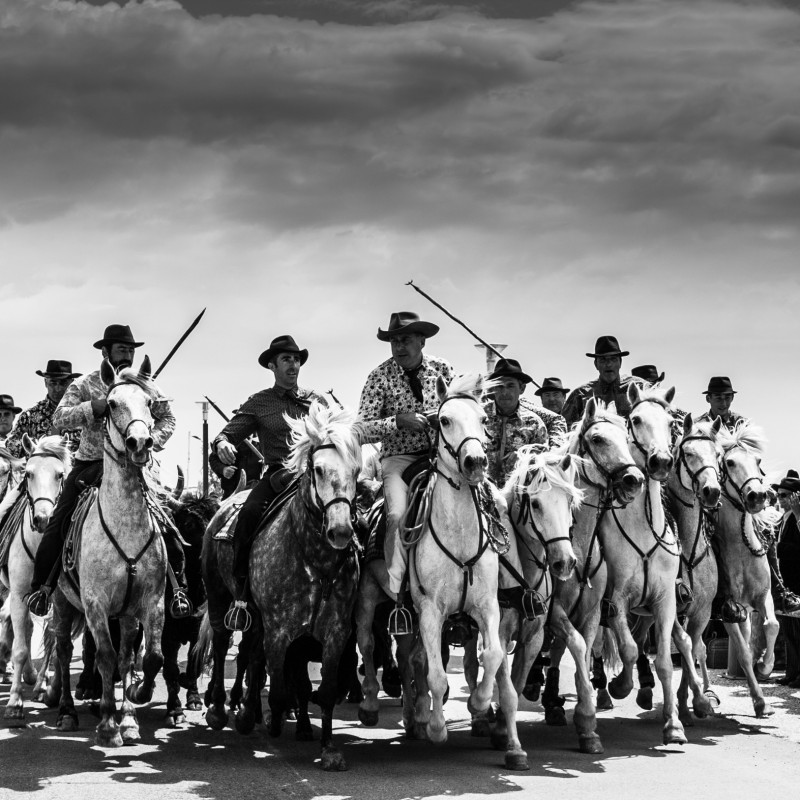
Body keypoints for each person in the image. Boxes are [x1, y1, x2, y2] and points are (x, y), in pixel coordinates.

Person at [26, 324, 185, 617]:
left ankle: (179, 589)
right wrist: (92, 408)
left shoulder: (145, 384)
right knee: (59, 521)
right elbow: (60, 418)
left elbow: (169, 418)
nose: (128, 353)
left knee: (171, 520)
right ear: (105, 351)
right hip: (91, 464)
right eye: (122, 348)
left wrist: (150, 442)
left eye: (131, 349)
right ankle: (42, 589)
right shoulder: (85, 384)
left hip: (136, 466)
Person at [212, 334, 322, 630]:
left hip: (316, 477)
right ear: (272, 366)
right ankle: (243, 592)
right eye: (287, 359)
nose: (293, 364)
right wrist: (222, 443)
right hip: (278, 476)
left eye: (297, 359)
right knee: (247, 515)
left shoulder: (318, 401)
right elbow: (227, 434)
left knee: (353, 517)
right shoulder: (259, 402)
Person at [357, 311, 454, 596]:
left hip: (443, 457)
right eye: (394, 341)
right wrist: (398, 421)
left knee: (484, 501)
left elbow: (460, 408)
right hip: (399, 459)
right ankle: (397, 588)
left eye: (406, 340)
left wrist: (442, 418)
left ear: (422, 341)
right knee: (397, 514)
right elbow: (361, 430)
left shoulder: (444, 369)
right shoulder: (378, 377)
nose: (399, 346)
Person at [484, 359, 547, 486]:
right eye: (499, 386)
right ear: (493, 389)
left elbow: (543, 462)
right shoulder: (478, 416)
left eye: (510, 386)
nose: (504, 392)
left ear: (522, 388)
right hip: (480, 493)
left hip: (518, 495)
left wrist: (524, 457)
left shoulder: (534, 424)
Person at [561, 336, 644, 427]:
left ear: (620, 362)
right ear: (596, 364)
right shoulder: (580, 395)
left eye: (613, 359)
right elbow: (565, 429)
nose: (608, 364)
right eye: (603, 360)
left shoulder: (639, 388)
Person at [5, 360, 82, 458]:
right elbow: (11, 448)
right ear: (45, 382)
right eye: (53, 383)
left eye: (63, 383)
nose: (58, 388)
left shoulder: (82, 414)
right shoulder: (29, 417)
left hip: (76, 473)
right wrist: (31, 446)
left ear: (71, 383)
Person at [774, 470, 800, 685]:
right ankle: (792, 673)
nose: (780, 498)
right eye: (780, 495)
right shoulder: (783, 518)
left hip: (797, 579)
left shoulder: (797, 517)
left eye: (784, 495)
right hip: (787, 580)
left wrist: (777, 548)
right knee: (790, 632)